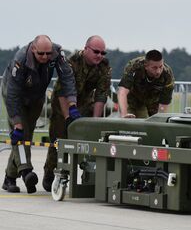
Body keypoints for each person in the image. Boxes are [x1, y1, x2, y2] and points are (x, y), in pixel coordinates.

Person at [1, 35, 79, 194]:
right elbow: (13, 94)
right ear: (33, 49)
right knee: (21, 133)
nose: (45, 57)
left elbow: (67, 77)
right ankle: (26, 171)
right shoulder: (20, 60)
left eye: (48, 53)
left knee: (27, 135)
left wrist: (72, 104)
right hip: (15, 96)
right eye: (41, 54)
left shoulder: (57, 53)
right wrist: (16, 122)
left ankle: (9, 178)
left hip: (37, 97)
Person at [42, 35, 112, 191]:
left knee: (90, 141)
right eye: (96, 51)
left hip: (85, 103)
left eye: (103, 53)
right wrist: (67, 118)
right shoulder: (71, 62)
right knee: (59, 139)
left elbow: (101, 94)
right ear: (86, 49)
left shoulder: (104, 66)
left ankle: (88, 173)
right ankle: (50, 173)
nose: (100, 56)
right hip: (63, 104)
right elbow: (61, 91)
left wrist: (95, 120)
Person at [117, 50, 174, 118]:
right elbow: (122, 92)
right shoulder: (135, 66)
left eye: (160, 67)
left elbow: (164, 102)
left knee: (155, 122)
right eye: (154, 68)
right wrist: (124, 114)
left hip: (154, 101)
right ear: (146, 66)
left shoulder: (167, 74)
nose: (158, 71)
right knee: (129, 122)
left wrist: (160, 120)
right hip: (133, 99)